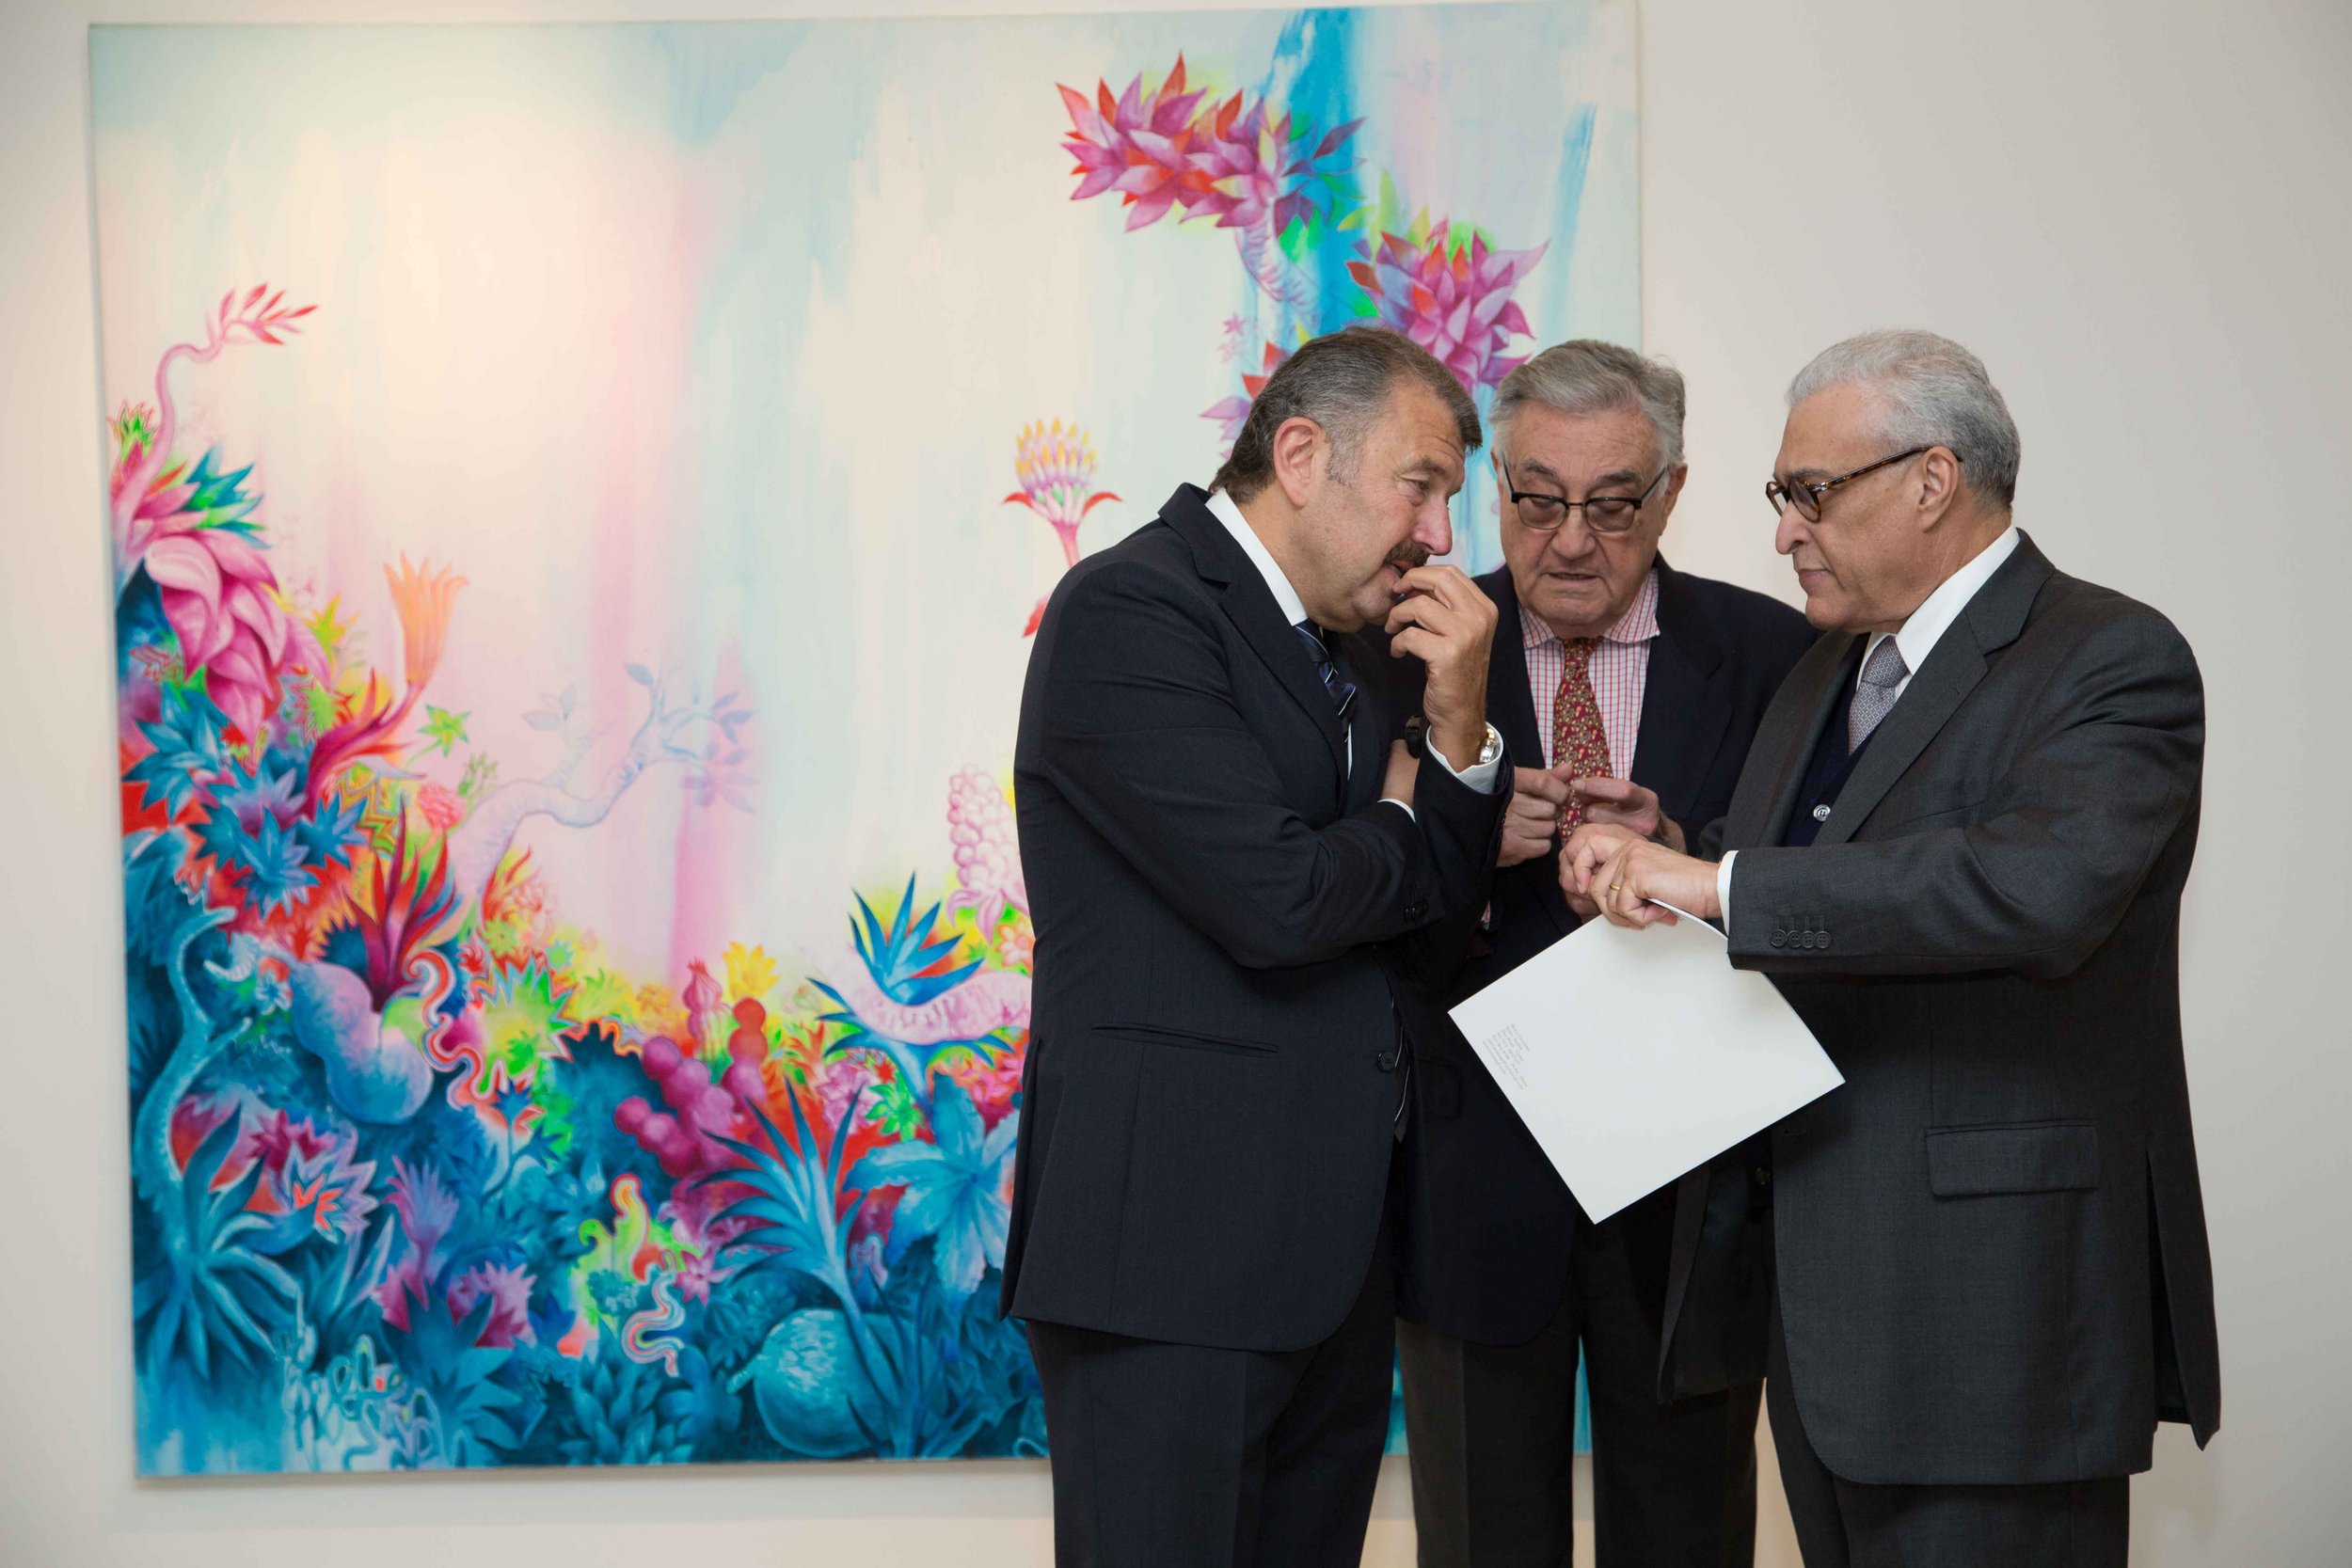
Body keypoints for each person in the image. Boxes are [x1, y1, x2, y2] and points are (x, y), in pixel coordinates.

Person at [1565, 330, 2221, 1565]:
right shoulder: (1825, 673)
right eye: (1781, 497)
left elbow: (2030, 889)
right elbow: (1816, 877)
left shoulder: (2110, 659)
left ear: (1932, 481)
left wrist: (1725, 883)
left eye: (1809, 494)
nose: (1783, 531)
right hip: (1821, 1326)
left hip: (1993, 1330)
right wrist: (1680, 853)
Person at [1003, 324, 1512, 1568]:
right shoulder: (1131, 608)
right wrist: (1404, 812)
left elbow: (1430, 939)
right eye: (1422, 483)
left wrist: (1455, 740)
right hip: (1169, 1261)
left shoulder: (1364, 654)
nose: (1443, 536)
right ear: (1300, 453)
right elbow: (1278, 901)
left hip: (1327, 1267)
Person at [1392, 341, 1815, 1568]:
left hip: (1690, 1206)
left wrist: (1687, 854)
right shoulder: (1414, 650)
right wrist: (1466, 835)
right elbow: (1358, 912)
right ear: (1498, 490)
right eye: (1536, 500)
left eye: (1614, 506)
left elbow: (1819, 891)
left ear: (1673, 494)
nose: (1571, 541)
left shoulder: (1775, 658)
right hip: (1474, 1196)